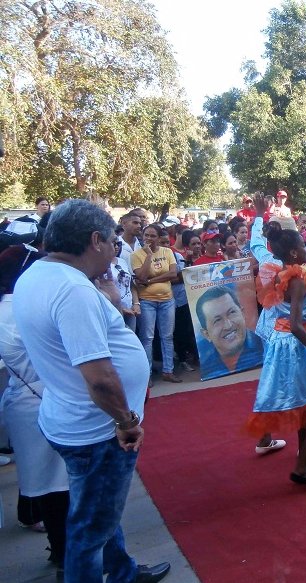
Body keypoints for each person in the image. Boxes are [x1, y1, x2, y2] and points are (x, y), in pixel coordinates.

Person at [13, 199, 170, 583]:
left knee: (98, 511)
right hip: (96, 429)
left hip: (73, 418)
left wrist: (111, 304)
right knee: (89, 529)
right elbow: (99, 377)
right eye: (113, 241)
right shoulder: (72, 291)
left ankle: (123, 571)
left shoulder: (37, 276)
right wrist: (127, 420)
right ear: (95, 240)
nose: (116, 250)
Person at [246, 221, 306, 487]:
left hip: (280, 343)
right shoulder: (296, 281)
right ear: (293, 254)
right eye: (303, 246)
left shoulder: (282, 276)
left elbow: (304, 308)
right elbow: (297, 325)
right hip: (292, 345)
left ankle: (304, 463)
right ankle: (302, 466)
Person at [0, 221, 70, 573]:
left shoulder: (8, 309)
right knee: (59, 486)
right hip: (44, 398)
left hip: (25, 400)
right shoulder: (21, 309)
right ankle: (64, 552)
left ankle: (58, 547)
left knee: (45, 484)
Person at [131, 224, 181, 385]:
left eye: (153, 236)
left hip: (167, 299)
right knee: (148, 338)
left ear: (159, 238)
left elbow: (173, 273)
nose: (149, 239)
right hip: (147, 301)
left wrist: (150, 281)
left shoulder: (168, 252)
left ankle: (169, 371)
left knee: (167, 336)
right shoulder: (136, 255)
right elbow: (141, 275)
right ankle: (147, 375)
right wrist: (148, 256)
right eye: (147, 235)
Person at [195, 286, 264, 378]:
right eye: (217, 320)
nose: (228, 325)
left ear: (242, 313)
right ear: (206, 334)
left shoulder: (266, 350)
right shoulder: (208, 366)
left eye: (232, 313)